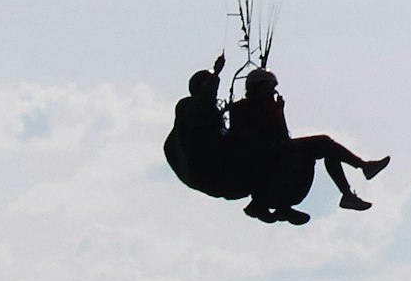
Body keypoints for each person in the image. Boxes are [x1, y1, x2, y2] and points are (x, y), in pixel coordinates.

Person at [228, 63, 388, 224]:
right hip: (265, 157)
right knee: (324, 143)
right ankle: (361, 169)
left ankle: (348, 192)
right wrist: (275, 113)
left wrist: (278, 113)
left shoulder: (266, 107)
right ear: (257, 88)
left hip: (276, 153)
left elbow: (282, 135)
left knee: (328, 150)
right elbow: (258, 140)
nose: (272, 92)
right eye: (269, 88)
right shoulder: (241, 109)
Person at [162, 56, 247, 202]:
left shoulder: (205, 116)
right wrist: (216, 73)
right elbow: (204, 102)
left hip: (209, 174)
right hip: (205, 172)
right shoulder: (186, 107)